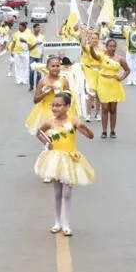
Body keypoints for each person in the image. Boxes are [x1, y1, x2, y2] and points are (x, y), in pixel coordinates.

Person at [33, 92, 95, 236]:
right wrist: (47, 144)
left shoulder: (73, 121)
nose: (55, 108)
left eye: (59, 105)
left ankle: (66, 223)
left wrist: (85, 128)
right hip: (55, 159)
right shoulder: (50, 122)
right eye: (53, 105)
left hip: (69, 158)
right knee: (57, 192)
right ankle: (57, 222)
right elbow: (38, 132)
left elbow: (90, 136)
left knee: (67, 193)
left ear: (67, 106)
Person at [88, 34, 130, 139]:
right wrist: (91, 46)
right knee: (105, 108)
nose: (112, 48)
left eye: (114, 46)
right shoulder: (102, 56)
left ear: (116, 47)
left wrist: (121, 78)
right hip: (103, 83)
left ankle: (112, 131)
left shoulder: (119, 58)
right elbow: (94, 55)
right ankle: (104, 131)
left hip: (114, 84)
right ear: (106, 47)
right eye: (110, 46)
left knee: (113, 109)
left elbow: (127, 70)